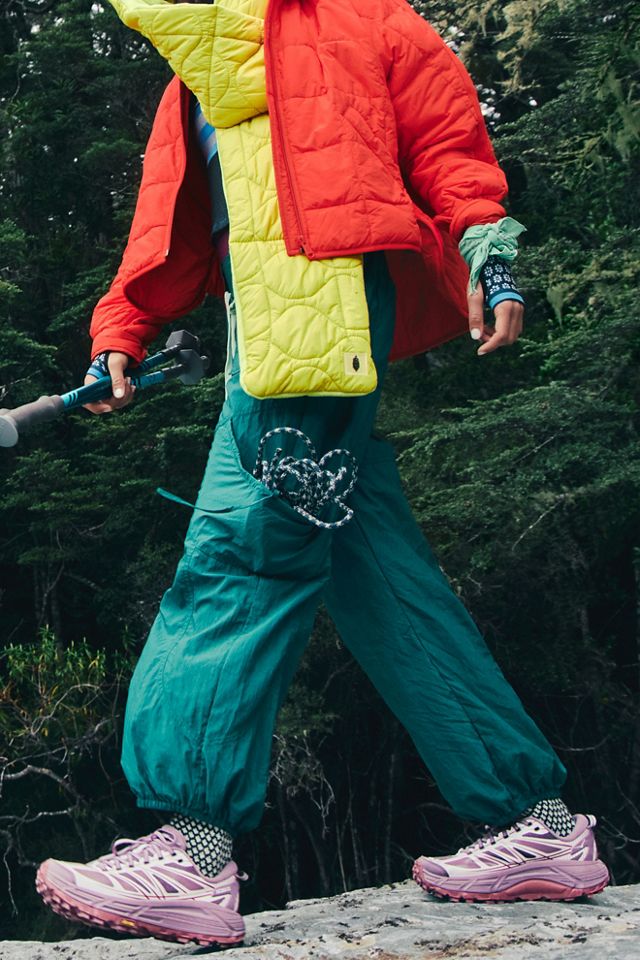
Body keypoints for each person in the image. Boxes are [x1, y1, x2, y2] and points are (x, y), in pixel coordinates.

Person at [35, 0, 609, 947]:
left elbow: (448, 139)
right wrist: (122, 330)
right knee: (373, 568)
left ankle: (191, 854)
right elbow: (171, 221)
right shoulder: (197, 64)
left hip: (322, 305)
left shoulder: (359, 16)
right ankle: (531, 821)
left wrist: (489, 247)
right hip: (260, 316)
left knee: (242, 552)